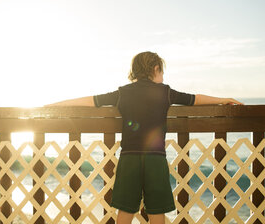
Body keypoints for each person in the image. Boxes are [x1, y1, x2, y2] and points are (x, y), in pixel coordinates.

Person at [44, 51, 244, 224]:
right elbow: (195, 99)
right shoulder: (165, 92)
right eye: (162, 71)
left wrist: (55, 105)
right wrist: (224, 100)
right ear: (155, 68)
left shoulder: (123, 93)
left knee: (125, 209)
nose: (163, 76)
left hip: (129, 158)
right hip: (155, 158)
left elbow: (90, 101)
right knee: (157, 211)